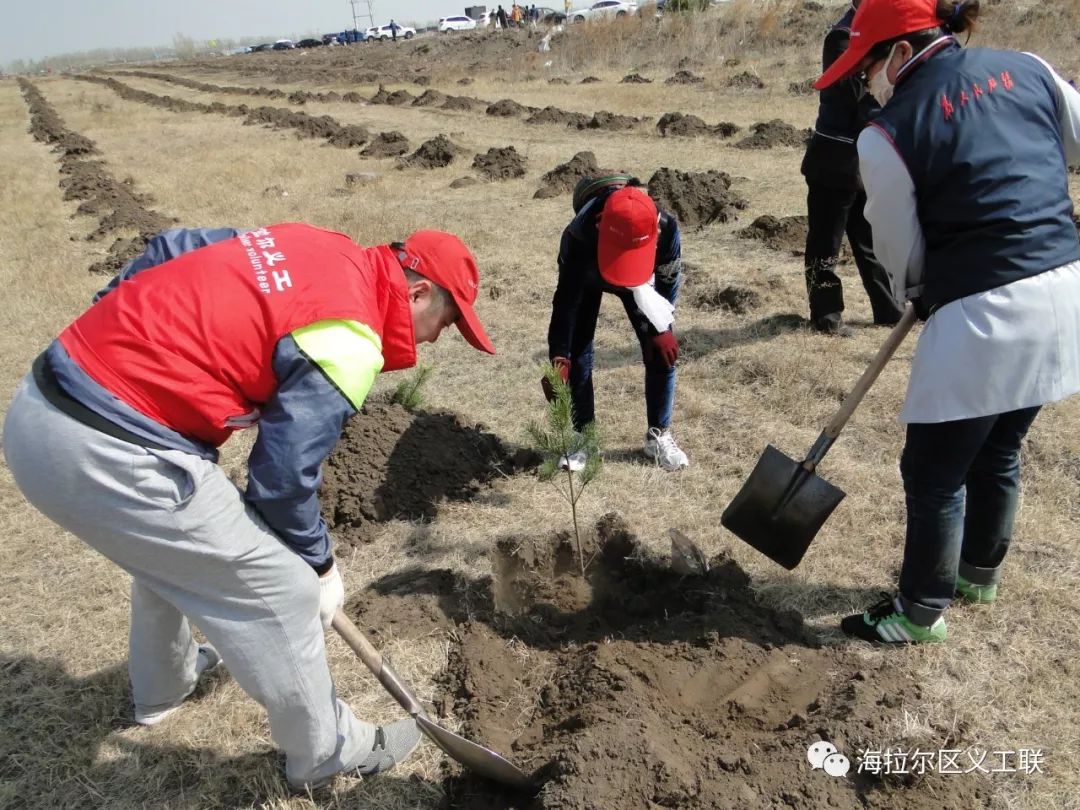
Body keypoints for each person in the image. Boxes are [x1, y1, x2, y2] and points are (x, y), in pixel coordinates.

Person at [2, 224, 495, 785]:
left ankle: (165, 686)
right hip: (110, 450)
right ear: (416, 293)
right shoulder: (351, 336)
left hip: (44, 403)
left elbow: (171, 247)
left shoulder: (316, 243)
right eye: (446, 324)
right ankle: (329, 752)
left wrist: (119, 331)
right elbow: (281, 481)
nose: (433, 341)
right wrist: (320, 566)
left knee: (176, 545)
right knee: (283, 589)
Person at [812, 0, 1080, 643]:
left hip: (985, 312)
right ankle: (978, 575)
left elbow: (896, 246)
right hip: (1066, 293)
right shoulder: (1031, 68)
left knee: (933, 472)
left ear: (899, 53)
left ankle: (920, 610)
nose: (865, 83)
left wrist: (920, 292)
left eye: (867, 67)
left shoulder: (888, 132)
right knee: (1000, 446)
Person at [545, 178, 689, 472]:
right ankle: (584, 437)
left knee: (660, 349)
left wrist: (660, 329)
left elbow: (666, 288)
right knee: (577, 350)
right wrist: (559, 354)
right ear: (600, 226)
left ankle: (658, 435)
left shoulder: (667, 230)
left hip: (641, 279)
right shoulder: (579, 236)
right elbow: (565, 304)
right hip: (590, 270)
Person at [802, 0, 903, 335]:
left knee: (870, 240)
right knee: (825, 244)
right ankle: (826, 318)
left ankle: (890, 310)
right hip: (834, 161)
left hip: (864, 164)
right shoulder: (842, 39)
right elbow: (856, 98)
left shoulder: (878, 36)